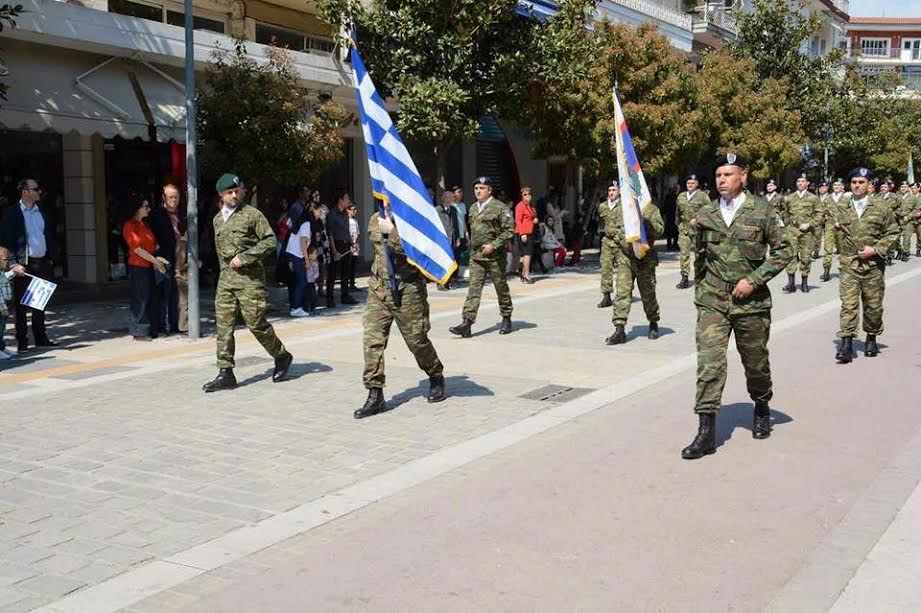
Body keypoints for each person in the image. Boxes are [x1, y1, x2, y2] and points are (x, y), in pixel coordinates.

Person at [681, 154, 794, 460]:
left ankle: (761, 405)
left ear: (743, 176)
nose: (722, 180)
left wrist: (754, 280)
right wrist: (702, 290)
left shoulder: (762, 210)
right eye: (718, 175)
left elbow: (784, 250)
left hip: (751, 303)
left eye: (728, 174)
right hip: (713, 302)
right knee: (710, 364)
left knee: (755, 363)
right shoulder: (706, 212)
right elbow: (699, 254)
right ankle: (706, 432)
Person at [355, 200, 446, 419]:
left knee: (417, 340)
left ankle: (435, 374)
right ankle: (375, 393)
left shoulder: (414, 218)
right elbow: (379, 253)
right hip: (379, 289)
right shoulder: (375, 218)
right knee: (372, 340)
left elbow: (422, 252)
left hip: (408, 290)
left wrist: (393, 232)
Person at [203, 173, 292, 392]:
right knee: (223, 327)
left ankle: (281, 355)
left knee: (256, 324)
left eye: (236, 191)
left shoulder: (252, 215)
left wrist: (245, 257)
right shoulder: (217, 220)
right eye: (229, 192)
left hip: (250, 281)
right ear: (221, 194)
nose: (234, 195)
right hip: (226, 281)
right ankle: (226, 372)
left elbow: (270, 241)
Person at [831, 167, 900, 364]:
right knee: (848, 305)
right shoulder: (842, 206)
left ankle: (871, 338)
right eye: (854, 182)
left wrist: (875, 249)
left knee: (873, 306)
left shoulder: (881, 207)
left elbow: (893, 233)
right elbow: (835, 229)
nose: (857, 185)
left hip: (873, 266)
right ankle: (846, 345)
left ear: (870, 185)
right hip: (849, 265)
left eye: (861, 182)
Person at [449, 176, 515, 337]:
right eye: (476, 188)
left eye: (482, 188)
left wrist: (494, 245)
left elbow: (509, 231)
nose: (478, 191)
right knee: (473, 289)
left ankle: (506, 317)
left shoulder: (500, 208)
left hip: (494, 257)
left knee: (501, 288)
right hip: (476, 256)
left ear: (489, 190)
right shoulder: (473, 208)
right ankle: (467, 322)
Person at [600, 181, 664, 345]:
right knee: (622, 293)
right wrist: (621, 238)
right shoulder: (622, 209)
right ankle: (619, 328)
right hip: (626, 258)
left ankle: (653, 322)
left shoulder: (651, 209)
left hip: (645, 259)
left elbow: (660, 230)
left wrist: (645, 224)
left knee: (648, 294)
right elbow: (612, 228)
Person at [1, 178, 57, 351]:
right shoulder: (13, 213)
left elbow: (47, 235)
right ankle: (22, 341)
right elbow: (7, 240)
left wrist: (50, 258)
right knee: (21, 306)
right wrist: (13, 264)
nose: (39, 192)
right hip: (23, 265)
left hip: (42, 262)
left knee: (39, 302)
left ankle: (41, 338)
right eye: (36, 189)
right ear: (25, 192)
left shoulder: (42, 211)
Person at [122, 197, 166, 342]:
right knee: (141, 298)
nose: (148, 209)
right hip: (138, 266)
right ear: (137, 208)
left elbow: (153, 245)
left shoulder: (145, 225)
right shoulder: (130, 225)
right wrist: (155, 261)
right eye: (145, 206)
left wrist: (157, 258)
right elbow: (137, 249)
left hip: (149, 265)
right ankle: (139, 331)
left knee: (152, 297)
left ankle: (152, 329)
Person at [148, 184, 186, 335]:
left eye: (176, 197)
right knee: (162, 293)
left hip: (180, 257)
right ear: (164, 198)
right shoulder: (156, 215)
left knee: (177, 294)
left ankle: (176, 325)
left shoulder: (183, 213)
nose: (174, 200)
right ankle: (161, 326)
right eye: (170, 197)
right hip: (163, 257)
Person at [780, 173, 820, 294]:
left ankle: (804, 282)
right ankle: (791, 283)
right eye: (798, 181)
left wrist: (809, 224)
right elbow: (785, 213)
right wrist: (785, 226)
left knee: (805, 258)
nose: (800, 183)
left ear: (807, 183)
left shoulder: (813, 198)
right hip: (792, 232)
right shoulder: (789, 198)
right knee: (791, 257)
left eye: (803, 181)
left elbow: (819, 214)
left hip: (807, 233)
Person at [675, 173, 710, 290]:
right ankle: (684, 277)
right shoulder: (681, 196)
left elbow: (710, 212)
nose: (690, 185)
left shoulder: (703, 196)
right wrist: (679, 225)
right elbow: (678, 212)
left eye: (692, 183)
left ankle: (701, 277)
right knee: (684, 254)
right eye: (688, 183)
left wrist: (698, 219)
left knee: (699, 254)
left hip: (698, 230)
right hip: (684, 230)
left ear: (697, 184)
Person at [325, 191, 357, 307]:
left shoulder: (345, 214)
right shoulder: (331, 214)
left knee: (345, 273)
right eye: (346, 198)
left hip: (346, 245)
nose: (348, 201)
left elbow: (347, 230)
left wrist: (352, 243)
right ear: (340, 200)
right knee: (332, 274)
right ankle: (330, 298)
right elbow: (330, 234)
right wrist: (334, 251)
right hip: (336, 245)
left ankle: (345, 296)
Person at [596, 182, 621, 308]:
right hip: (607, 241)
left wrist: (621, 235)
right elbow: (601, 223)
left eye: (614, 190)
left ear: (619, 191)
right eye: (609, 190)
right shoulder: (602, 206)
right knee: (606, 268)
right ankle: (606, 296)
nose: (611, 192)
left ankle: (623, 294)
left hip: (620, 242)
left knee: (623, 270)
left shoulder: (624, 206)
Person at [286, 205, 312, 317]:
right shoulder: (306, 223)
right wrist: (307, 259)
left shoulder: (298, 223)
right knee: (301, 282)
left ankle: (294, 306)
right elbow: (303, 242)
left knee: (295, 282)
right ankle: (296, 308)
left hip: (291, 253)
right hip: (297, 255)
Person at [0, 246, 26, 358]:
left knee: (2, 328)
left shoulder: (1, 271)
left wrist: (14, 272)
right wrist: (3, 308)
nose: (7, 262)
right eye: (4, 259)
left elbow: (4, 278)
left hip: (5, 303)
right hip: (1, 306)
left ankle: (2, 348)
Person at [821, 178, 847, 282]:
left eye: (838, 185)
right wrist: (823, 218)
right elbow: (822, 211)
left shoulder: (847, 198)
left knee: (843, 249)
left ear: (843, 187)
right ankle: (826, 271)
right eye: (835, 185)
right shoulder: (828, 198)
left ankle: (843, 269)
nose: (836, 187)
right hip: (830, 226)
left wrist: (842, 222)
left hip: (843, 227)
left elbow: (851, 213)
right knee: (828, 249)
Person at [435, 190, 460, 290]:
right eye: (450, 198)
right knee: (442, 261)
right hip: (442, 240)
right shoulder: (438, 210)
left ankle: (449, 281)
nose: (452, 200)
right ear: (444, 199)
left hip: (452, 239)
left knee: (450, 261)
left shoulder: (453, 209)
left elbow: (456, 224)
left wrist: (457, 238)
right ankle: (440, 283)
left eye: (452, 198)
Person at [514, 186, 539, 284]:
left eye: (529, 194)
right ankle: (526, 275)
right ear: (522, 196)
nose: (527, 196)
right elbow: (518, 221)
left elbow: (532, 217)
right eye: (525, 194)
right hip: (524, 233)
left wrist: (534, 219)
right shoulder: (520, 206)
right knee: (527, 254)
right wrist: (522, 233)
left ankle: (524, 273)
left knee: (528, 254)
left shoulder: (530, 206)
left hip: (530, 232)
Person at [897, 181, 914, 261]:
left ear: (908, 188)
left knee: (906, 239)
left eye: (905, 187)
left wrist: (909, 217)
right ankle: (900, 250)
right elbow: (894, 207)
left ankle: (905, 253)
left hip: (908, 221)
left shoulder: (912, 197)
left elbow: (916, 209)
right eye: (902, 187)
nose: (903, 188)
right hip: (898, 220)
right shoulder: (897, 197)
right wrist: (898, 214)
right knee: (896, 238)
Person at [814, 181, 829, 260]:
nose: (822, 189)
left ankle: (829, 251)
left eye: (824, 187)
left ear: (827, 188)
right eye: (821, 187)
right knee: (817, 235)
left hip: (828, 220)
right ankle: (816, 251)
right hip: (818, 219)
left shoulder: (830, 197)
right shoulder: (815, 198)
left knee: (828, 236)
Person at [347, 202, 361, 292]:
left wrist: (357, 244)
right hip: (349, 245)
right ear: (348, 210)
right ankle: (347, 284)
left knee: (353, 265)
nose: (355, 211)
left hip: (355, 245)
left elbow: (357, 233)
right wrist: (351, 242)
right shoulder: (346, 221)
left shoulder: (355, 221)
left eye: (355, 209)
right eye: (353, 209)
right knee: (348, 265)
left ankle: (352, 283)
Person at [304, 244, 320, 315]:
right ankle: (306, 307)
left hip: (311, 282)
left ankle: (312, 307)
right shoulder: (305, 263)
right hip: (305, 282)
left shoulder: (315, 263)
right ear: (309, 254)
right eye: (314, 253)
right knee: (306, 295)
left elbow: (317, 273)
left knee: (313, 295)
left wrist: (314, 277)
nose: (316, 255)